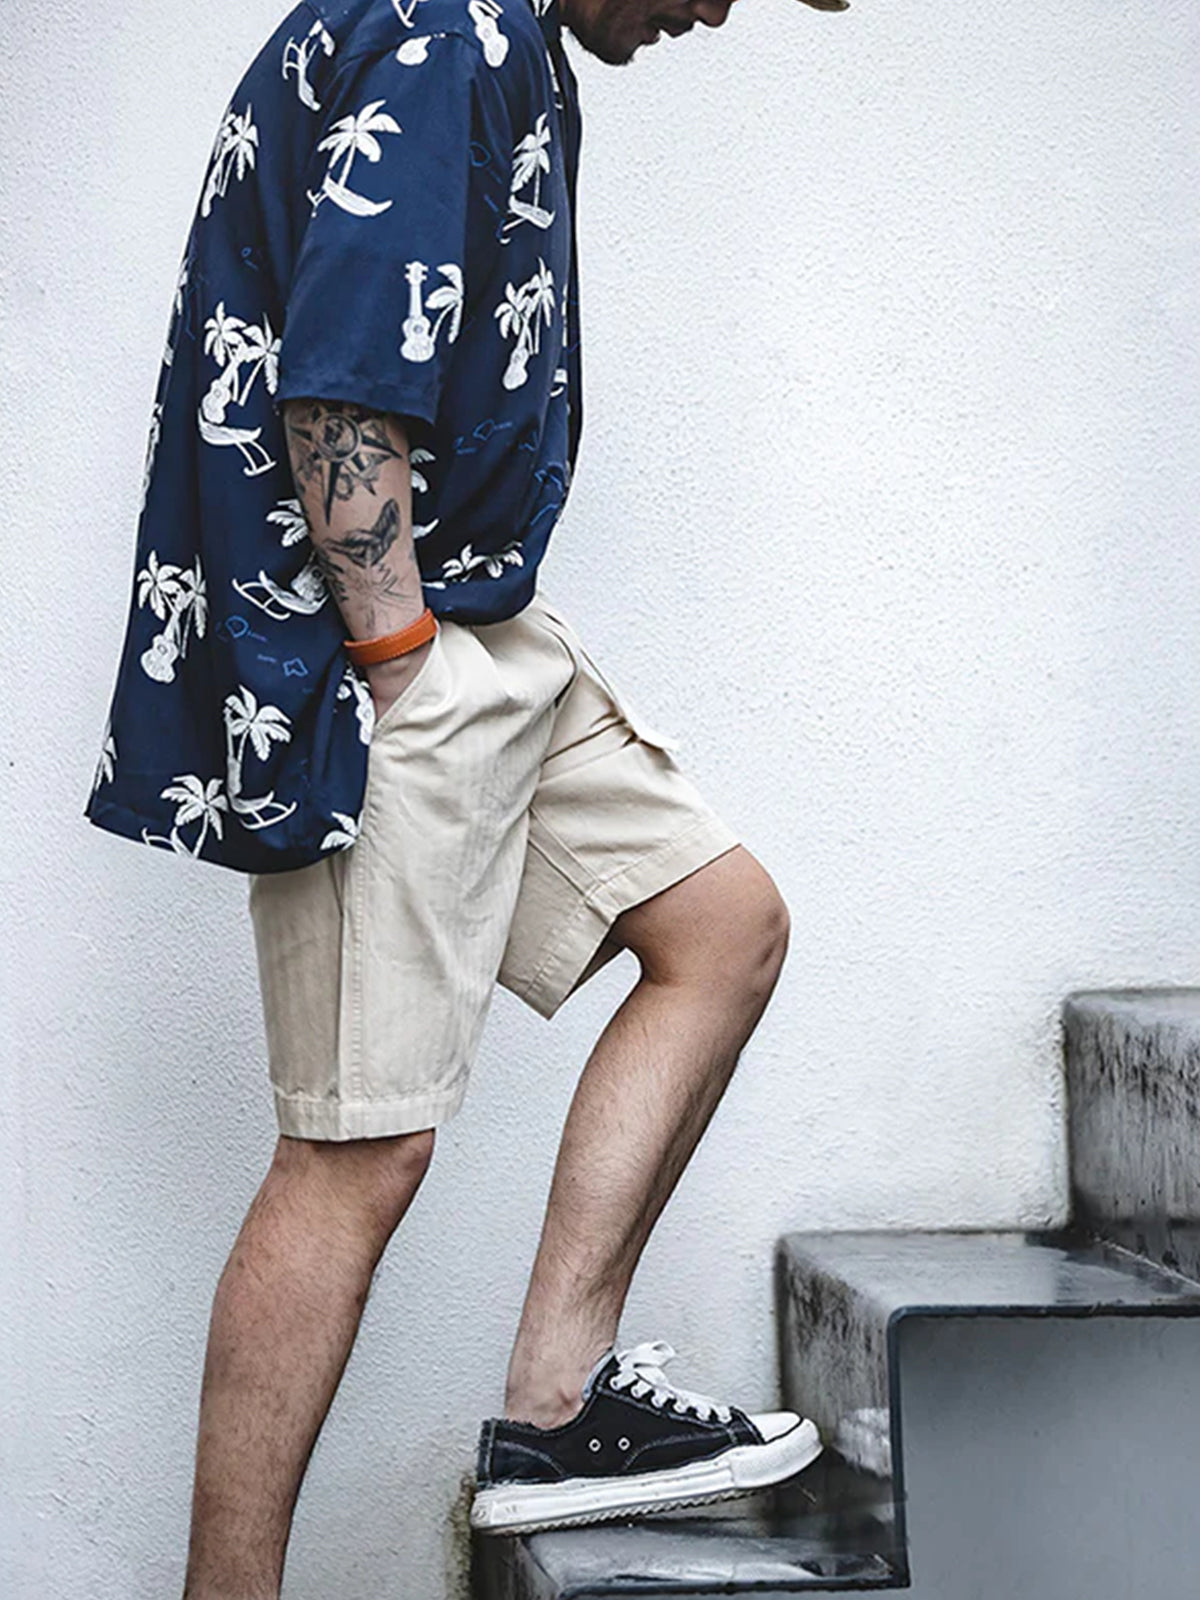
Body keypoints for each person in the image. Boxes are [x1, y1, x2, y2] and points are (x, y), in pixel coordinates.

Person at [86, 0, 845, 1590]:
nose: (715, 10)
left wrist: (442, 646)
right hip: (387, 657)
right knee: (355, 1151)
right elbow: (337, 398)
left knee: (723, 928)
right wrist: (398, 657)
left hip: (484, 631)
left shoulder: (504, 39)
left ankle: (557, 1405)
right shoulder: (444, 32)